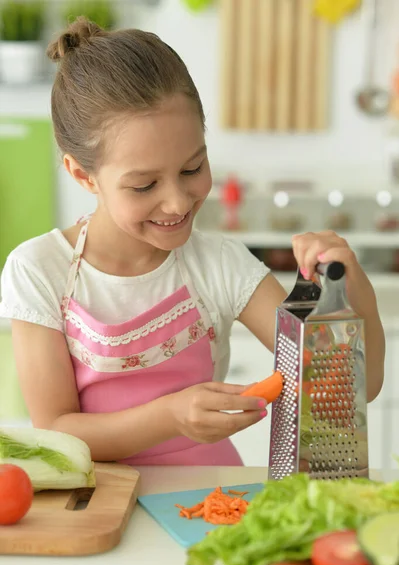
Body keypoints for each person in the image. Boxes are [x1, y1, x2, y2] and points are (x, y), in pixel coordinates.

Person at [0, 18, 385, 466]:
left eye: (192, 168)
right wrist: (169, 417)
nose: (177, 202)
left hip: (211, 496)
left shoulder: (220, 264)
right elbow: (57, 430)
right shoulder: (39, 269)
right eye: (144, 185)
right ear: (82, 175)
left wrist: (353, 286)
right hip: (96, 505)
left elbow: (353, 387)